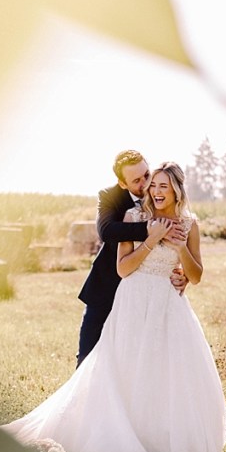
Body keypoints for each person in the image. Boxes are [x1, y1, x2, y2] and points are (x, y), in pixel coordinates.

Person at [3, 162, 226, 452]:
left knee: (165, 373)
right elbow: (123, 270)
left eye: (163, 186)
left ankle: (159, 442)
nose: (156, 191)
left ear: (176, 190)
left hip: (169, 308)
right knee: (125, 370)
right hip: (132, 302)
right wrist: (151, 238)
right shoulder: (133, 219)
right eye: (153, 185)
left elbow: (197, 275)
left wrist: (178, 247)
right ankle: (124, 437)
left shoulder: (190, 224)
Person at [76, 150, 187, 367]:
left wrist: (184, 275)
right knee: (88, 358)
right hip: (107, 287)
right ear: (122, 183)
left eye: (147, 174)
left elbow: (180, 243)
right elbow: (106, 231)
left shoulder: (161, 195)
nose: (146, 184)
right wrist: (151, 230)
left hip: (147, 296)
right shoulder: (110, 196)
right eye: (137, 180)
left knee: (138, 360)